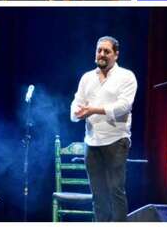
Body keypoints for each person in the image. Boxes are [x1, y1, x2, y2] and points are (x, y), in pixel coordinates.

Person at [70, 36, 137, 222]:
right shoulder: (87, 78)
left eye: (106, 51)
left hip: (116, 141)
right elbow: (77, 102)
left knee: (116, 192)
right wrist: (77, 113)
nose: (102, 54)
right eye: (99, 50)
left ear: (116, 55)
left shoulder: (126, 76)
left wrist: (93, 110)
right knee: (98, 196)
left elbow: (124, 106)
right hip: (91, 142)